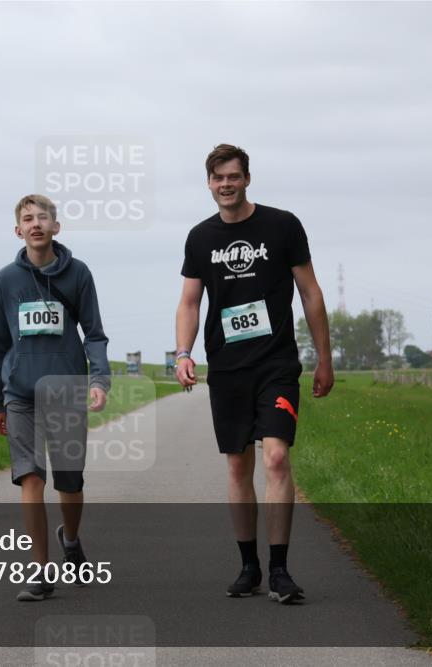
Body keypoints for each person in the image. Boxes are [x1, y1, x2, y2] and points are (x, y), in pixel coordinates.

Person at [175, 144, 334, 604]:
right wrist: (183, 352)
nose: (225, 184)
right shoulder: (199, 238)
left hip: (277, 364)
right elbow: (189, 301)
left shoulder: (283, 225)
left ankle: (281, 570)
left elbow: (311, 293)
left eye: (233, 176)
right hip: (226, 368)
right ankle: (249, 566)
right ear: (208, 183)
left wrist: (325, 357)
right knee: (238, 463)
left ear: (247, 179)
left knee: (277, 458)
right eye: (217, 177)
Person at [0, 194, 111, 602]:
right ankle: (39, 572)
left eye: (43, 218)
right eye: (27, 219)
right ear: (17, 230)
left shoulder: (79, 274)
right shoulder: (6, 280)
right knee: (31, 478)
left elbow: (93, 333)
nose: (35, 224)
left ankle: (70, 540)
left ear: (57, 227)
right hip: (20, 394)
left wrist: (99, 380)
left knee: (69, 482)